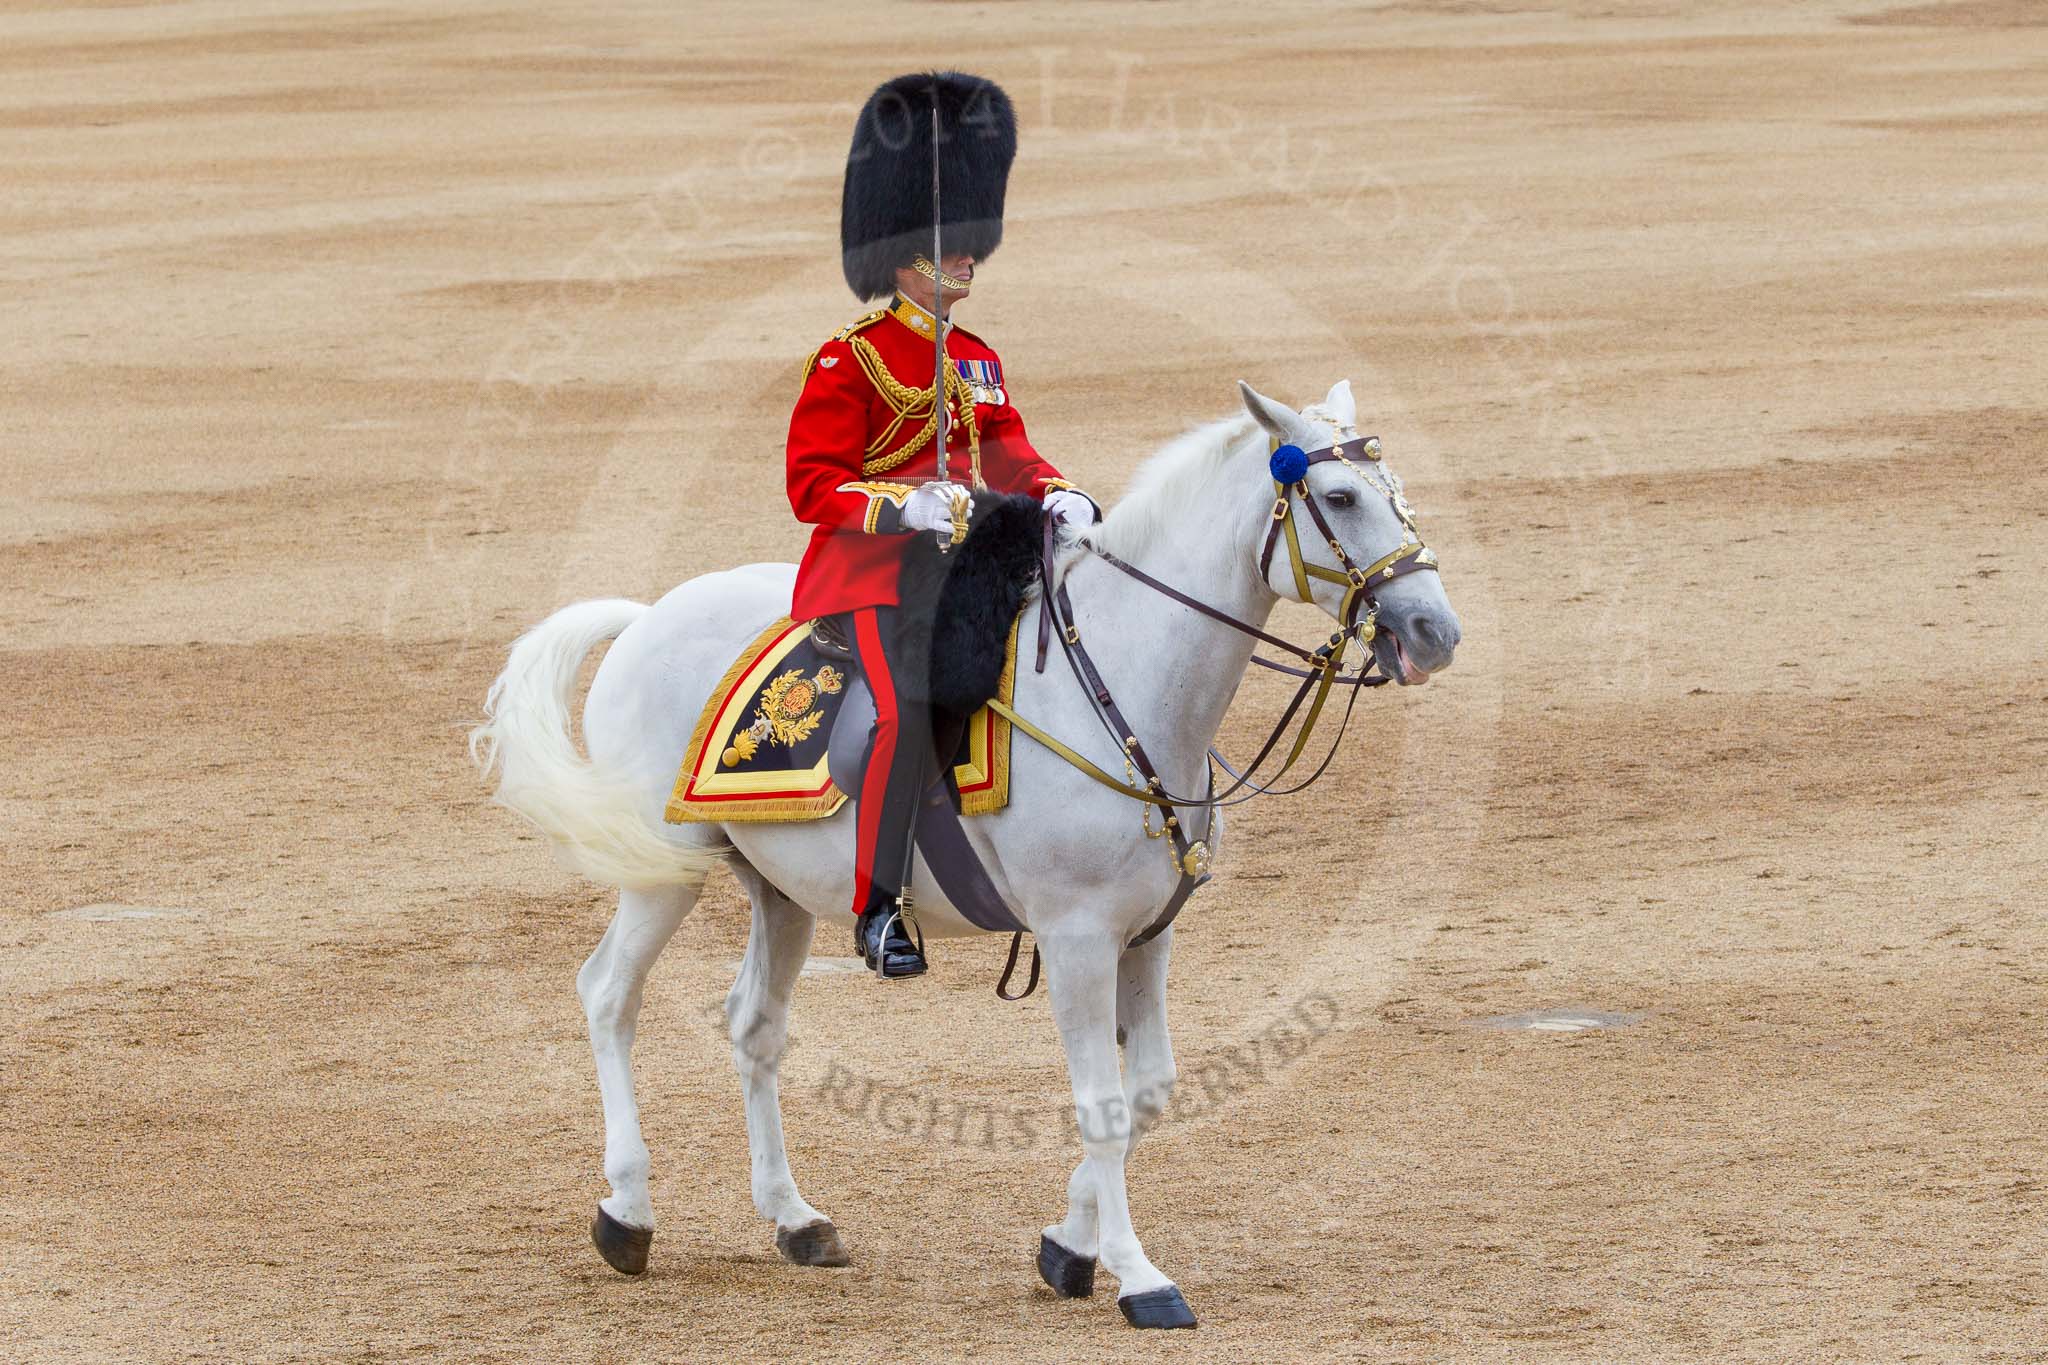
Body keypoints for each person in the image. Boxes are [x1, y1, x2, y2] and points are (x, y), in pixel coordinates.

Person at [784, 72, 1097, 979]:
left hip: (968, 566)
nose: (967, 260)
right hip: (873, 576)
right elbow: (811, 485)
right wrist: (901, 504)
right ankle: (879, 905)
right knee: (905, 710)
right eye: (948, 247)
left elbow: (1010, 452)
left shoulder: (977, 359)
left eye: (969, 246)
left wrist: (1059, 492)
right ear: (902, 257)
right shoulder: (850, 360)